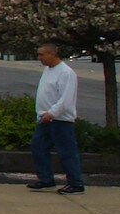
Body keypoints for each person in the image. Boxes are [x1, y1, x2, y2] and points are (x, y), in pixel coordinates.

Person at [28, 43, 84, 195]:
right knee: (38, 147)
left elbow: (66, 100)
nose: (39, 58)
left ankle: (76, 183)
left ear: (52, 54)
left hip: (60, 120)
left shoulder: (66, 73)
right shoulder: (48, 70)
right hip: (45, 119)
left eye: (42, 55)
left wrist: (51, 113)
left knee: (66, 152)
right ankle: (46, 179)